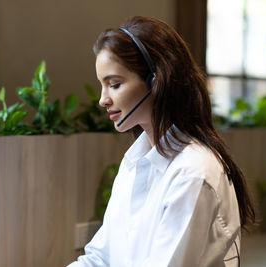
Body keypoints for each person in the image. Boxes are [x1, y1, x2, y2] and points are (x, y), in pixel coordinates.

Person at [67, 16, 255, 267]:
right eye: (102, 85)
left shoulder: (193, 172)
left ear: (156, 82)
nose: (103, 100)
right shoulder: (135, 161)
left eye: (114, 84)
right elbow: (101, 257)